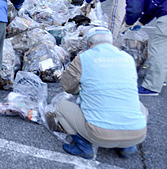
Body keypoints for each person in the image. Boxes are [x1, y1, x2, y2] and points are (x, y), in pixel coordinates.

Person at [48, 27, 148, 160]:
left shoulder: (83, 58)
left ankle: (83, 147)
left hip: (100, 134)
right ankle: (128, 146)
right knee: (140, 106)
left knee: (60, 107)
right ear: (112, 44)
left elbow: (67, 86)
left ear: (89, 44)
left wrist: (80, 90)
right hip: (138, 134)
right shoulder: (128, 58)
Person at [112, 0, 167, 96]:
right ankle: (162, 79)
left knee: (158, 50)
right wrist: (142, 22)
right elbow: (152, 7)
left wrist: (127, 24)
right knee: (164, 48)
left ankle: (152, 87)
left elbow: (134, 8)